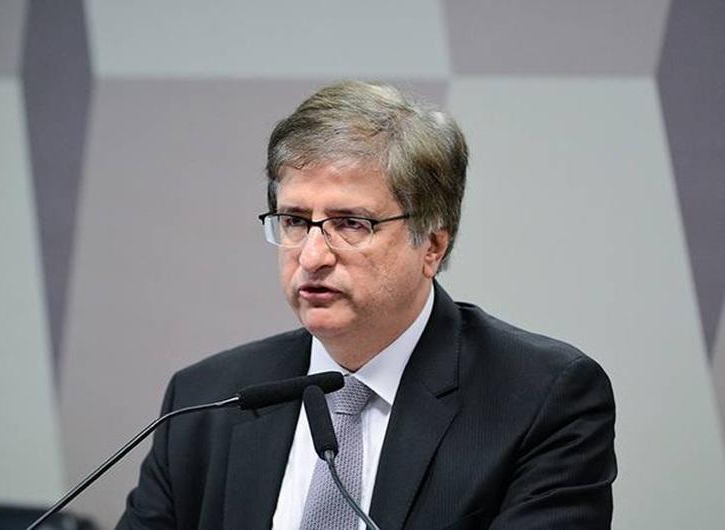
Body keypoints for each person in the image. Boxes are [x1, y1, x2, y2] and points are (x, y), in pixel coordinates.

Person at [116, 81, 616, 530]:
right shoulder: (205, 400)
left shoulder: (540, 399)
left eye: (351, 223)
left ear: (432, 245)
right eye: (294, 221)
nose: (312, 256)